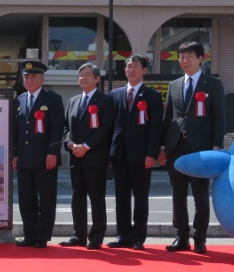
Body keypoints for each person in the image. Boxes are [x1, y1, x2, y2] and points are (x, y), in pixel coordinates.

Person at [158, 41, 225, 254]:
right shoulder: (174, 85)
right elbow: (168, 117)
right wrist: (163, 147)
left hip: (201, 149)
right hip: (176, 146)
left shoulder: (213, 84)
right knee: (177, 194)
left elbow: (219, 117)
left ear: (200, 58)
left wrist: (216, 146)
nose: (184, 61)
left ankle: (200, 238)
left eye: (189, 56)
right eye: (181, 57)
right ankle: (181, 237)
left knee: (200, 195)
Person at [106, 55, 163, 250]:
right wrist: (110, 152)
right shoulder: (115, 94)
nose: (131, 70)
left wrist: (151, 153)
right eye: (128, 66)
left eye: (135, 66)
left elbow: (156, 128)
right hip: (120, 154)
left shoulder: (153, 96)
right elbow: (110, 126)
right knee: (121, 198)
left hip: (142, 155)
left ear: (144, 70)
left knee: (140, 198)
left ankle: (138, 237)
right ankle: (123, 235)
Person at [60, 63, 115, 249]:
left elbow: (105, 128)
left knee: (97, 198)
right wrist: (70, 144)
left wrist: (86, 146)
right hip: (76, 157)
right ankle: (78, 235)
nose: (83, 78)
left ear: (97, 79)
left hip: (95, 157)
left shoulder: (105, 101)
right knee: (77, 198)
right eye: (80, 75)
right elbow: (66, 128)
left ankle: (96, 236)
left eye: (87, 75)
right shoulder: (73, 101)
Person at [11, 61, 65, 249]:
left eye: (34, 76)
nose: (29, 80)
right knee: (26, 199)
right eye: (26, 76)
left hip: (45, 159)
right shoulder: (19, 100)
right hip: (25, 159)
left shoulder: (52, 99)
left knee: (47, 199)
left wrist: (53, 153)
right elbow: (16, 132)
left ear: (42, 78)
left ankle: (42, 236)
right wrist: (15, 154)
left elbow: (57, 128)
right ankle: (29, 235)